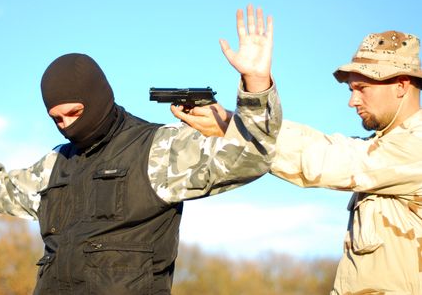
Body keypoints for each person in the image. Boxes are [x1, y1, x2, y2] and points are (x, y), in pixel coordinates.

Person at [0, 5, 282, 294]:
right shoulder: (56, 164)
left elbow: (250, 157)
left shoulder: (155, 149)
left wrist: (256, 85)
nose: (66, 124)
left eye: (74, 112)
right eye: (56, 118)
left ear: (97, 98)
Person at [173, 29, 422, 294]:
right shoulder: (386, 149)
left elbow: (327, 158)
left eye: (362, 88)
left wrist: (242, 117)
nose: (352, 101)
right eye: (352, 89)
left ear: (401, 85)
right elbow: (327, 148)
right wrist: (234, 123)